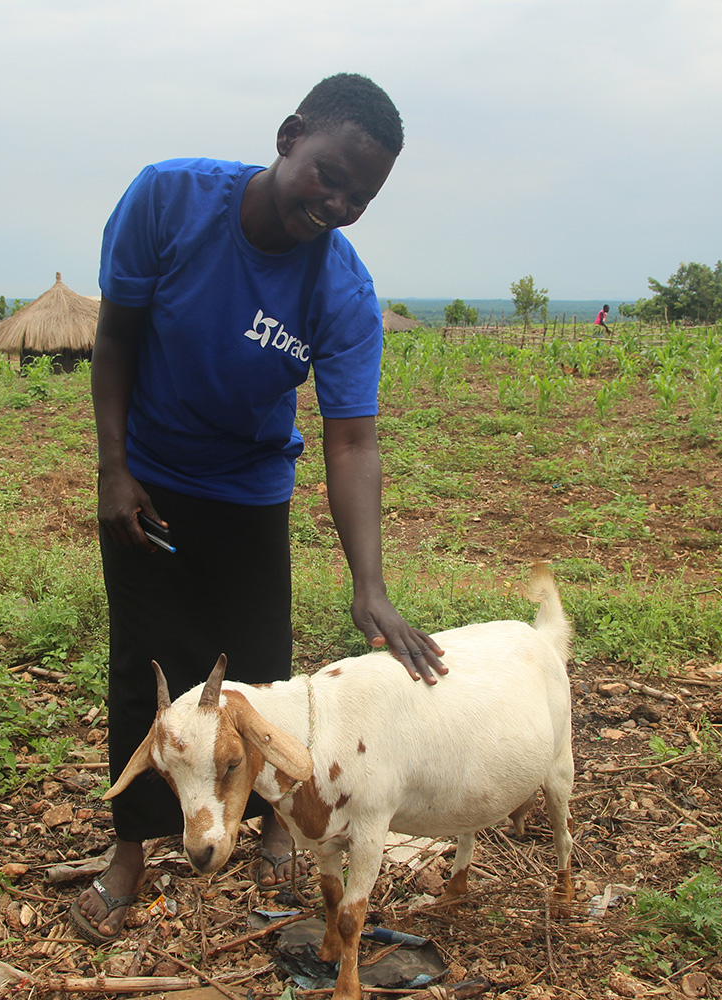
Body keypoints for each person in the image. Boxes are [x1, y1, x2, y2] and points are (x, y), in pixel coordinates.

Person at [74, 73, 447, 943]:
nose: (341, 201)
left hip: (249, 491)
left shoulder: (342, 293)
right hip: (151, 481)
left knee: (262, 678)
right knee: (145, 671)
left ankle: (272, 821)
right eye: (330, 174)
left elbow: (352, 442)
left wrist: (371, 585)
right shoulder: (168, 200)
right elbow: (116, 338)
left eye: (363, 194)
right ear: (289, 138)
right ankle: (130, 854)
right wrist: (113, 469)